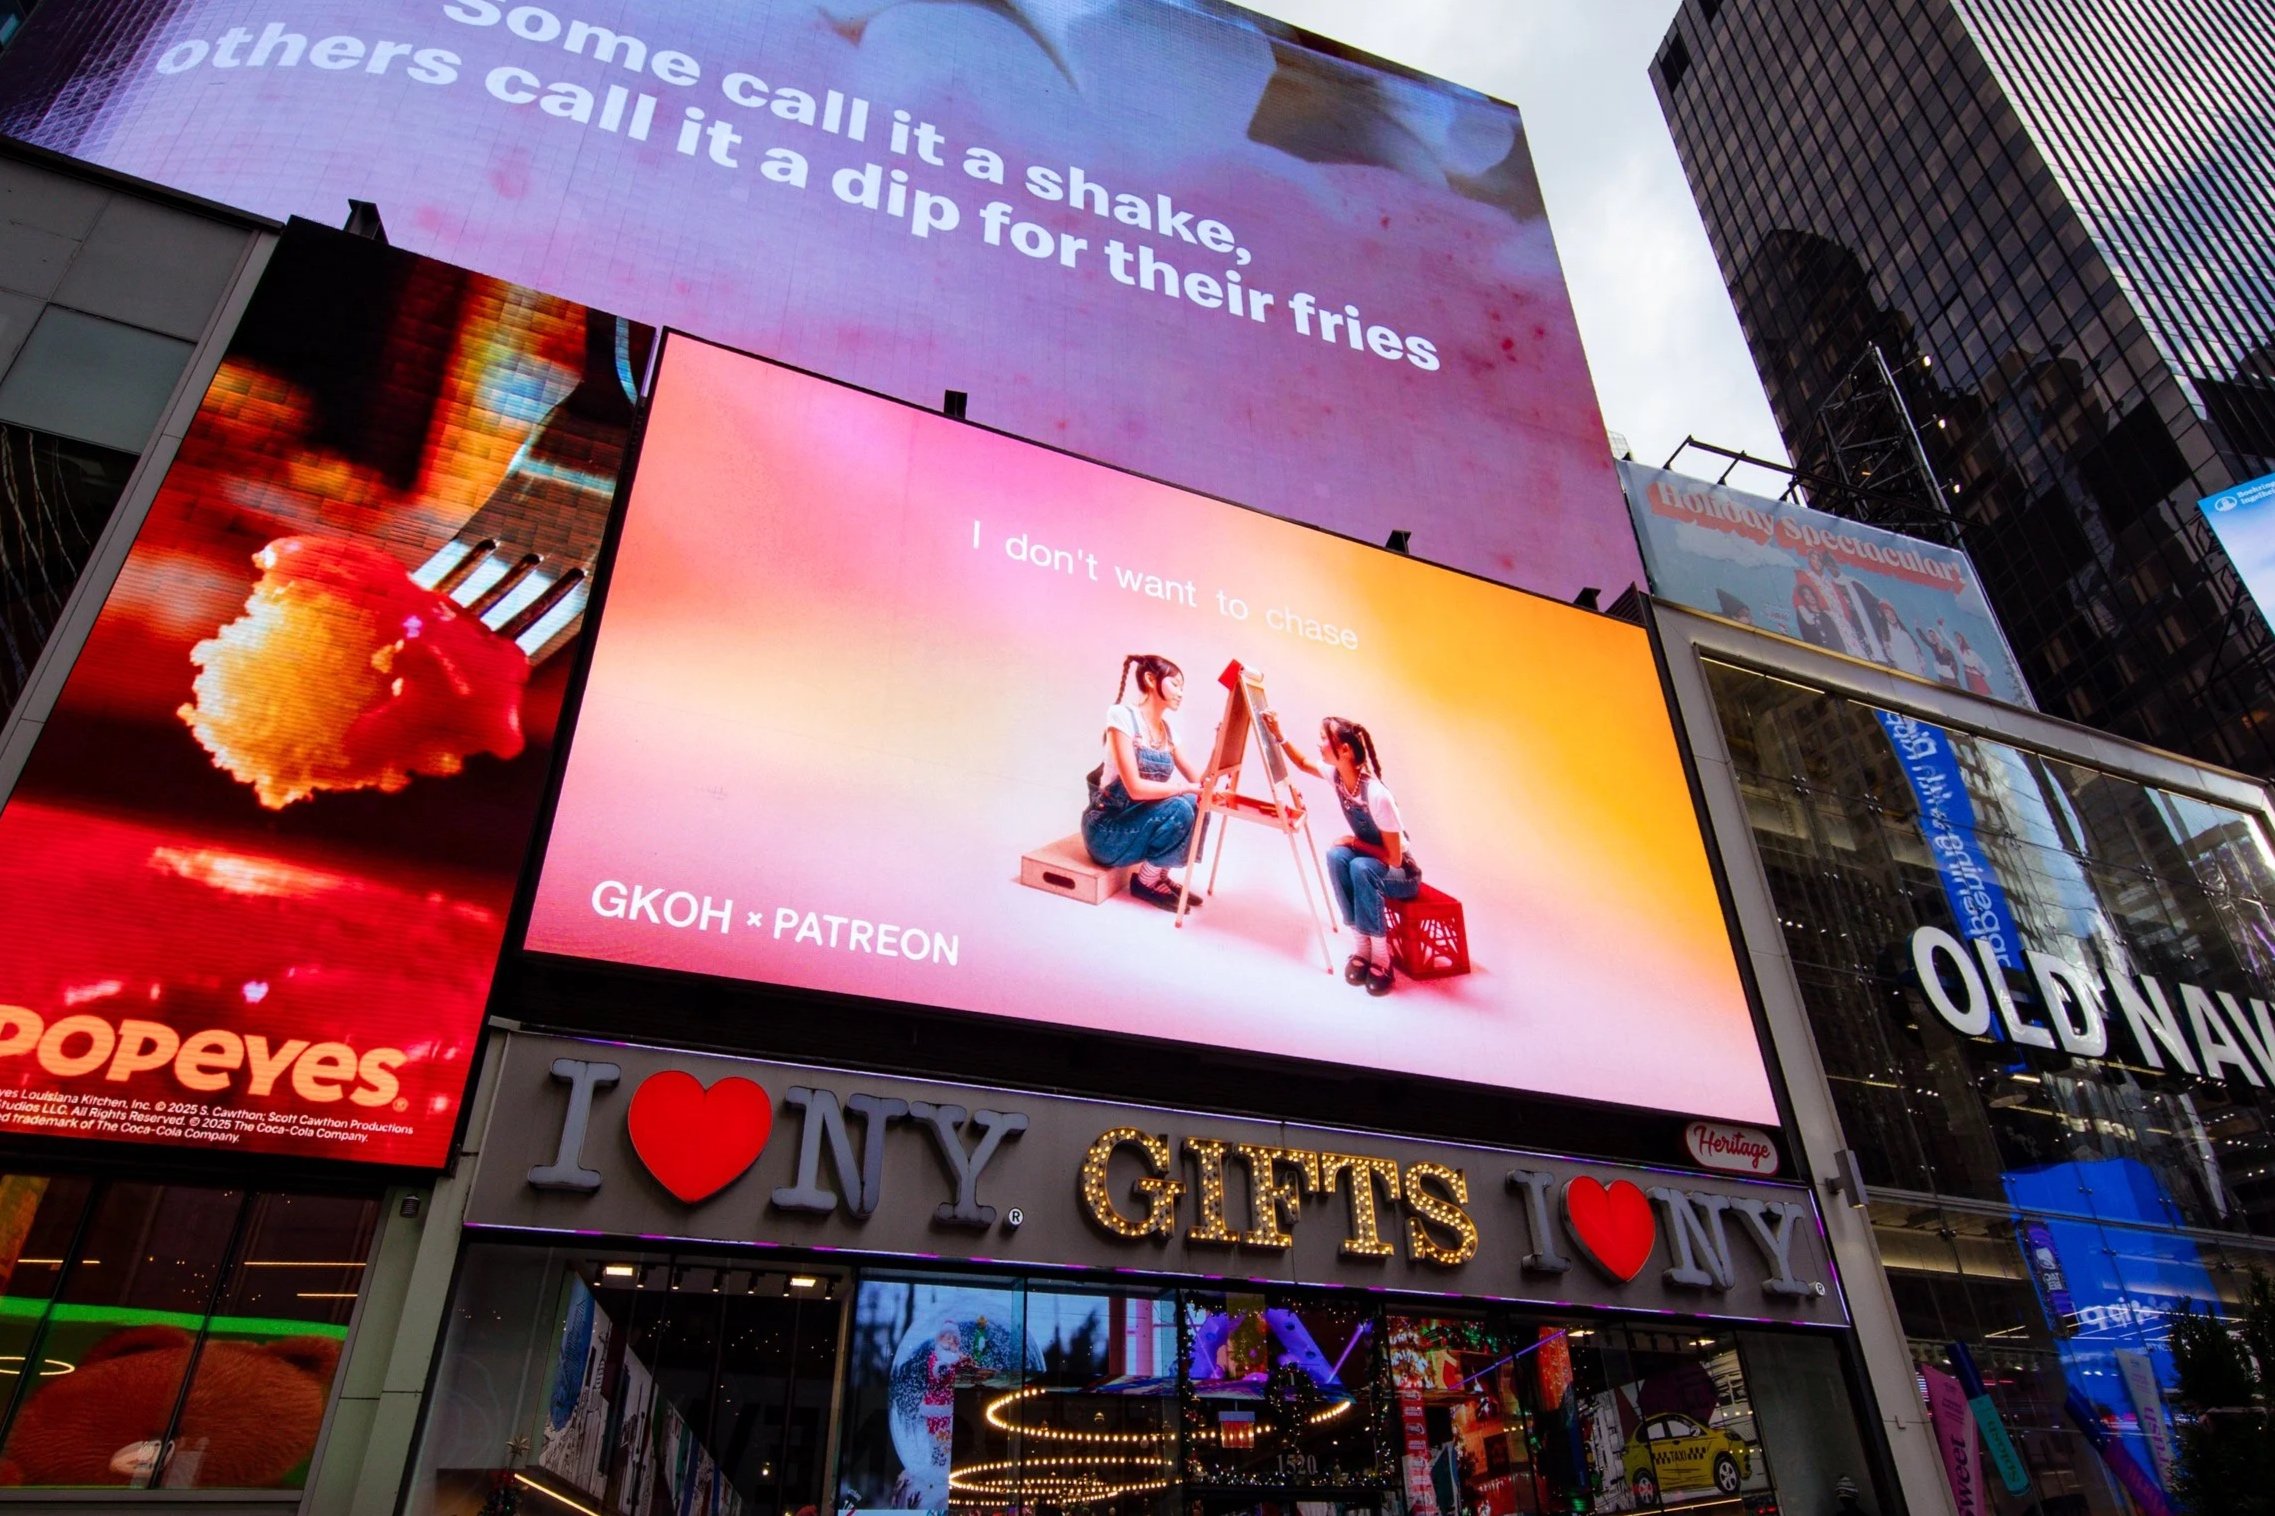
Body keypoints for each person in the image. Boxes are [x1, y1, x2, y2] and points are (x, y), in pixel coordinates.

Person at [1268, 713, 1419, 995]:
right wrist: (1279, 734)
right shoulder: (1337, 776)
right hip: (1375, 864)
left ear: (1345, 750)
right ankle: (1362, 949)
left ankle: (1382, 959)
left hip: (1403, 873)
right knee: (1337, 857)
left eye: (1325, 739)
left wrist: (1353, 840)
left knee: (1361, 867)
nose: (1319, 743)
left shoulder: (1377, 794)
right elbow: (1302, 764)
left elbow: (1395, 859)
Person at [1082, 653, 1205, 911]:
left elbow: (1200, 784)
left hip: (1137, 826)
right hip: (1108, 830)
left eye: (1183, 687)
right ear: (1151, 679)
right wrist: (1181, 788)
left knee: (1197, 802)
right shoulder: (1122, 716)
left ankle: (1159, 875)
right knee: (1181, 805)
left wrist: (1221, 747)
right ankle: (1146, 883)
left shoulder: (1169, 732)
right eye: (1175, 684)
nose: (1181, 693)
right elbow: (1135, 788)